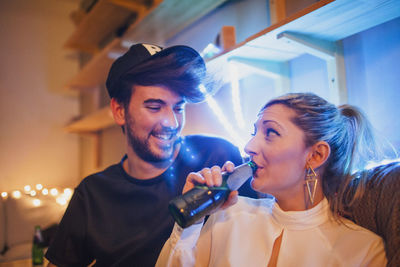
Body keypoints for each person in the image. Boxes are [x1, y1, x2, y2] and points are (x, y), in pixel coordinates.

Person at [45, 43, 256, 267]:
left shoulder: (218, 156)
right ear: (119, 111)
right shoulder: (93, 194)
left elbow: (261, 240)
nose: (172, 123)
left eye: (178, 108)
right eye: (155, 107)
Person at [156, 92, 388, 266]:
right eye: (254, 133)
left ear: (316, 155)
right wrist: (192, 219)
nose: (249, 146)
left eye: (271, 133)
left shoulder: (364, 251)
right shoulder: (229, 215)